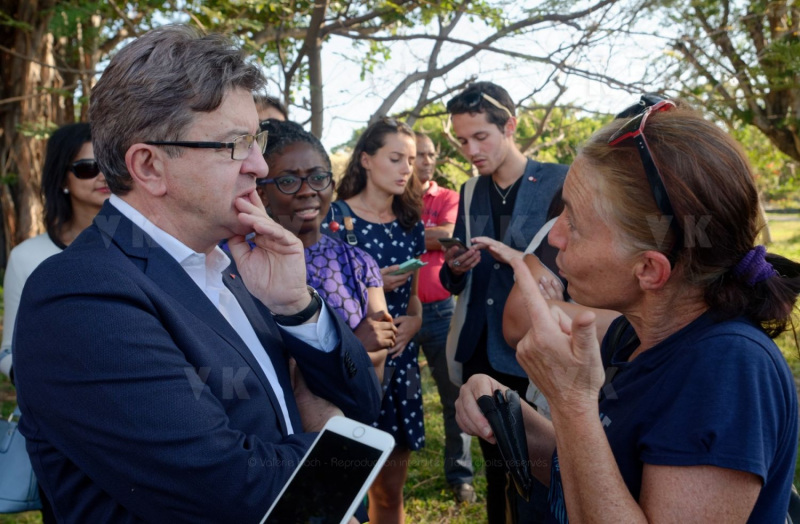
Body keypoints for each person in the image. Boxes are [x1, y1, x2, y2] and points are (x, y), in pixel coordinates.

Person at [12, 25, 380, 523]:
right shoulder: (81, 296)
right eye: (235, 145)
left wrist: (298, 308)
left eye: (258, 140)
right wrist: (343, 449)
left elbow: (364, 403)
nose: (258, 165)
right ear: (149, 166)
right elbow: (229, 492)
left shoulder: (237, 264)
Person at [456, 98, 800, 522]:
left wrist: (570, 400)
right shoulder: (634, 337)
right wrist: (509, 412)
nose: (556, 236)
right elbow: (601, 474)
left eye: (575, 223)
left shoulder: (726, 369)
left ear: (649, 269)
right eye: (562, 208)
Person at [440, 81, 568, 523]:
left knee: (538, 466)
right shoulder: (470, 190)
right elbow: (455, 271)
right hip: (478, 346)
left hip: (528, 346)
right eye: (461, 141)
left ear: (509, 126)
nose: (470, 149)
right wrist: (456, 266)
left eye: (480, 137)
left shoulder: (559, 179)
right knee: (496, 465)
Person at [322, 117, 424, 523]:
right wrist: (370, 282)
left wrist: (414, 323)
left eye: (411, 161)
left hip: (401, 365)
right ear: (365, 159)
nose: (406, 169)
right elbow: (315, 296)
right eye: (396, 158)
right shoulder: (334, 218)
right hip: (351, 364)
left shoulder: (410, 225)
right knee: (342, 491)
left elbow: (414, 303)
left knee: (389, 489)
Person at [256, 118, 396, 381]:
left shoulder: (359, 263)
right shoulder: (243, 265)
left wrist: (363, 353)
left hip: (351, 417)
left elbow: (375, 373)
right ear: (262, 193)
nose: (307, 191)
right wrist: (355, 346)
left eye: (318, 177)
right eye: (288, 181)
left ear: (331, 185)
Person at [0, 122, 109, 383]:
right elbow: (9, 352)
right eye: (88, 168)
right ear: (62, 179)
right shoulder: (27, 256)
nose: (104, 175)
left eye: (111, 164)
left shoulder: (151, 248)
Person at [411, 132, 476, 503]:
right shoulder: (395, 198)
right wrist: (426, 235)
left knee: (454, 396)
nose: (426, 161)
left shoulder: (449, 197)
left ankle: (461, 475)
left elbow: (449, 236)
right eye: (418, 154)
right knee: (388, 394)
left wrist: (405, 233)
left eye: (431, 154)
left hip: (440, 312)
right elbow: (431, 238)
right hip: (396, 313)